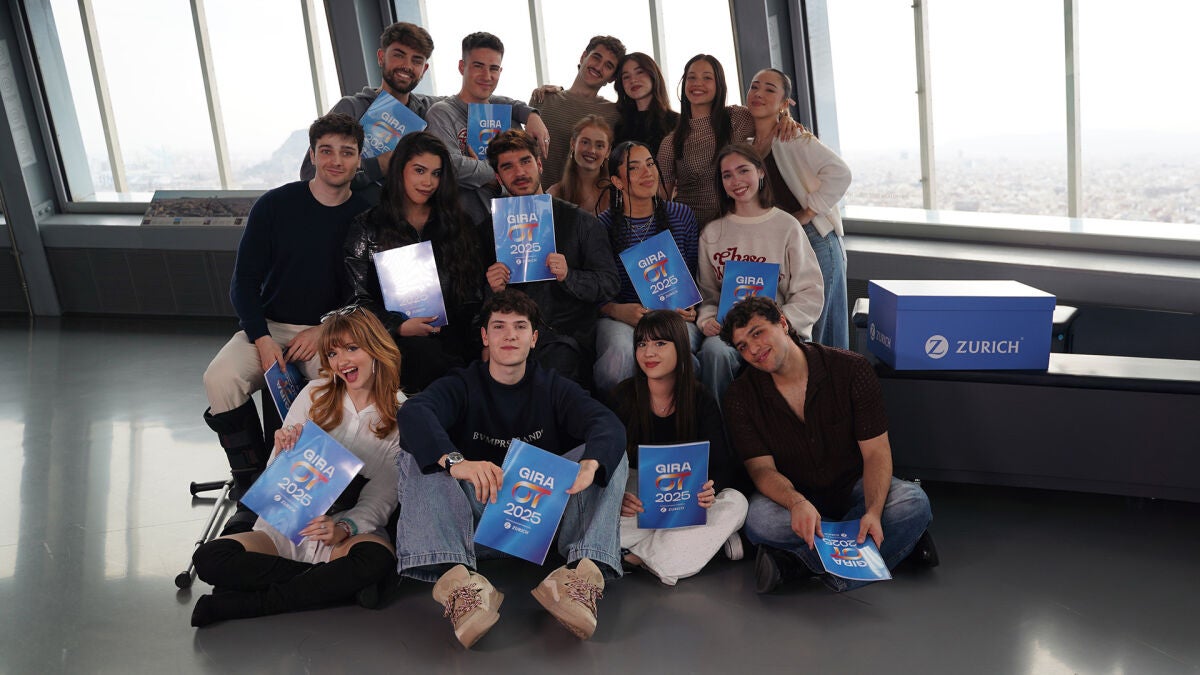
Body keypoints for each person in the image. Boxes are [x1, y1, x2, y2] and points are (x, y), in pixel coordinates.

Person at [395, 289, 627, 646]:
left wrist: (591, 463)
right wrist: (457, 463)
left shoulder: (552, 386)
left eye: (520, 327)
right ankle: (461, 586)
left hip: (539, 522)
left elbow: (606, 423)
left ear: (533, 338)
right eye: (499, 326)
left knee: (607, 451)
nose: (510, 335)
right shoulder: (462, 384)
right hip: (475, 525)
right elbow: (415, 412)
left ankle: (578, 578)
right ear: (485, 336)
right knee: (415, 452)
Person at [190, 307, 406, 626]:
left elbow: (383, 495)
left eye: (352, 348)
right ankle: (329, 585)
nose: (342, 361)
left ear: (376, 347)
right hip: (289, 521)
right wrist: (283, 451)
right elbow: (277, 479)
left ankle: (242, 604)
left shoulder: (402, 413)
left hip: (343, 529)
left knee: (375, 560)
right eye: (332, 353)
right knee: (209, 558)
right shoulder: (314, 393)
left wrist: (344, 528)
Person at [203, 113, 369, 502]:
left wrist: (325, 330)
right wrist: (261, 338)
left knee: (340, 390)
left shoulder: (366, 216)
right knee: (220, 378)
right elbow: (243, 281)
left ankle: (324, 490)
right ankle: (250, 480)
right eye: (326, 150)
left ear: (359, 159)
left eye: (347, 152)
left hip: (332, 332)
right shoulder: (275, 205)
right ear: (312, 155)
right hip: (270, 326)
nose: (336, 160)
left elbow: (367, 293)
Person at [720, 297, 937, 594]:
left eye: (758, 333)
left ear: (783, 323)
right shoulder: (740, 396)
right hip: (794, 495)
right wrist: (796, 503)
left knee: (912, 501)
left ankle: (797, 565)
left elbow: (876, 453)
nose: (754, 349)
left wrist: (874, 511)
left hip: (854, 486)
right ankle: (894, 543)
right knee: (759, 521)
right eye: (743, 346)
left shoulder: (851, 369)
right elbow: (761, 469)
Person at [302, 22, 548, 204]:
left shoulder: (427, 107)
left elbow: (478, 97)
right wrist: (379, 165)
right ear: (381, 57)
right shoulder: (351, 108)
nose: (407, 66)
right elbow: (310, 173)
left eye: (416, 60)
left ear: (425, 69)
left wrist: (529, 113)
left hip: (410, 226)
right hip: (357, 219)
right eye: (399, 55)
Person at [611, 311, 749, 586]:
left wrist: (710, 489)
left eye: (660, 343)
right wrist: (619, 496)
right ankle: (699, 543)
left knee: (736, 502)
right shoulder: (623, 396)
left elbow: (721, 464)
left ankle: (636, 556)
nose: (649, 352)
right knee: (608, 525)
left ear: (680, 347)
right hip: (640, 497)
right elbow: (610, 461)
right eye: (642, 344)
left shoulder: (700, 398)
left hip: (688, 499)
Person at [344, 131, 484, 392]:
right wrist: (398, 326)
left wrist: (482, 341)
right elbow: (355, 300)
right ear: (400, 170)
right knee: (425, 357)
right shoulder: (367, 226)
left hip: (455, 338)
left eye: (436, 173)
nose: (428, 182)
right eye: (419, 170)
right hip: (394, 343)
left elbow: (473, 294)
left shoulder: (458, 224)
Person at [483, 129, 620, 388]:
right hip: (507, 341)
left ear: (539, 164)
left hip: (564, 341)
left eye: (525, 161)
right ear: (498, 177)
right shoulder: (487, 230)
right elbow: (472, 303)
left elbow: (609, 284)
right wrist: (493, 289)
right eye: (508, 167)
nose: (520, 173)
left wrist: (569, 276)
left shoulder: (580, 222)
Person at [695, 143, 823, 404]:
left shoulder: (787, 226)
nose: (736, 181)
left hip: (778, 329)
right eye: (727, 175)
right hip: (730, 332)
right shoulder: (712, 232)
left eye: (743, 170)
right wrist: (707, 319)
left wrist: (777, 324)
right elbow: (707, 295)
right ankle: (721, 426)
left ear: (761, 172)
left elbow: (810, 293)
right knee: (714, 353)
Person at [747, 68, 852, 349]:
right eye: (754, 86)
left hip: (815, 240)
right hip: (782, 244)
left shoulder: (793, 138)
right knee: (795, 334)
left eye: (770, 89)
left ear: (784, 103)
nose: (759, 93)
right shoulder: (747, 145)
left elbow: (841, 173)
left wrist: (808, 212)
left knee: (823, 334)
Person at [593, 141, 701, 395]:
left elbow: (694, 275)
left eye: (650, 164)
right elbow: (593, 289)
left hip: (672, 316)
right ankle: (615, 419)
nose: (647, 172)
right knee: (620, 355)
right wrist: (615, 309)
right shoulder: (601, 226)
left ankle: (678, 419)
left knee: (680, 356)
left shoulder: (681, 215)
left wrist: (691, 307)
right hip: (621, 318)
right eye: (634, 168)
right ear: (617, 182)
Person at [425, 32, 552, 224]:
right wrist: (500, 171)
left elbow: (526, 172)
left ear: (500, 71)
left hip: (515, 220)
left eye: (493, 68)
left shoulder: (507, 113)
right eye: (478, 66)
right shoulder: (442, 113)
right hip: (464, 226)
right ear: (462, 67)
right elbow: (449, 166)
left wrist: (532, 114)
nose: (486, 76)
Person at [658, 54, 755, 228]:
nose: (697, 83)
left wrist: (785, 117)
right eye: (691, 78)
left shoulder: (736, 118)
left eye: (707, 78)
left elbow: (770, 122)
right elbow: (661, 203)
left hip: (740, 225)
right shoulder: (670, 143)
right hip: (693, 231)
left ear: (719, 84)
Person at [533, 35, 625, 189]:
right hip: (537, 196)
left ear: (612, 78)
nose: (598, 67)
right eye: (596, 57)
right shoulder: (544, 98)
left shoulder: (614, 114)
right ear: (583, 57)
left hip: (586, 200)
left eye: (608, 66)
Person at [612, 52, 679, 160]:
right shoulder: (620, 126)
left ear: (653, 75)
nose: (633, 80)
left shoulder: (676, 122)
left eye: (639, 72)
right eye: (626, 77)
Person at [547, 115, 613, 216]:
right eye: (585, 142)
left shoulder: (617, 197)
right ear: (573, 144)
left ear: (608, 151)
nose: (592, 150)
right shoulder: (553, 195)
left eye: (599, 145)